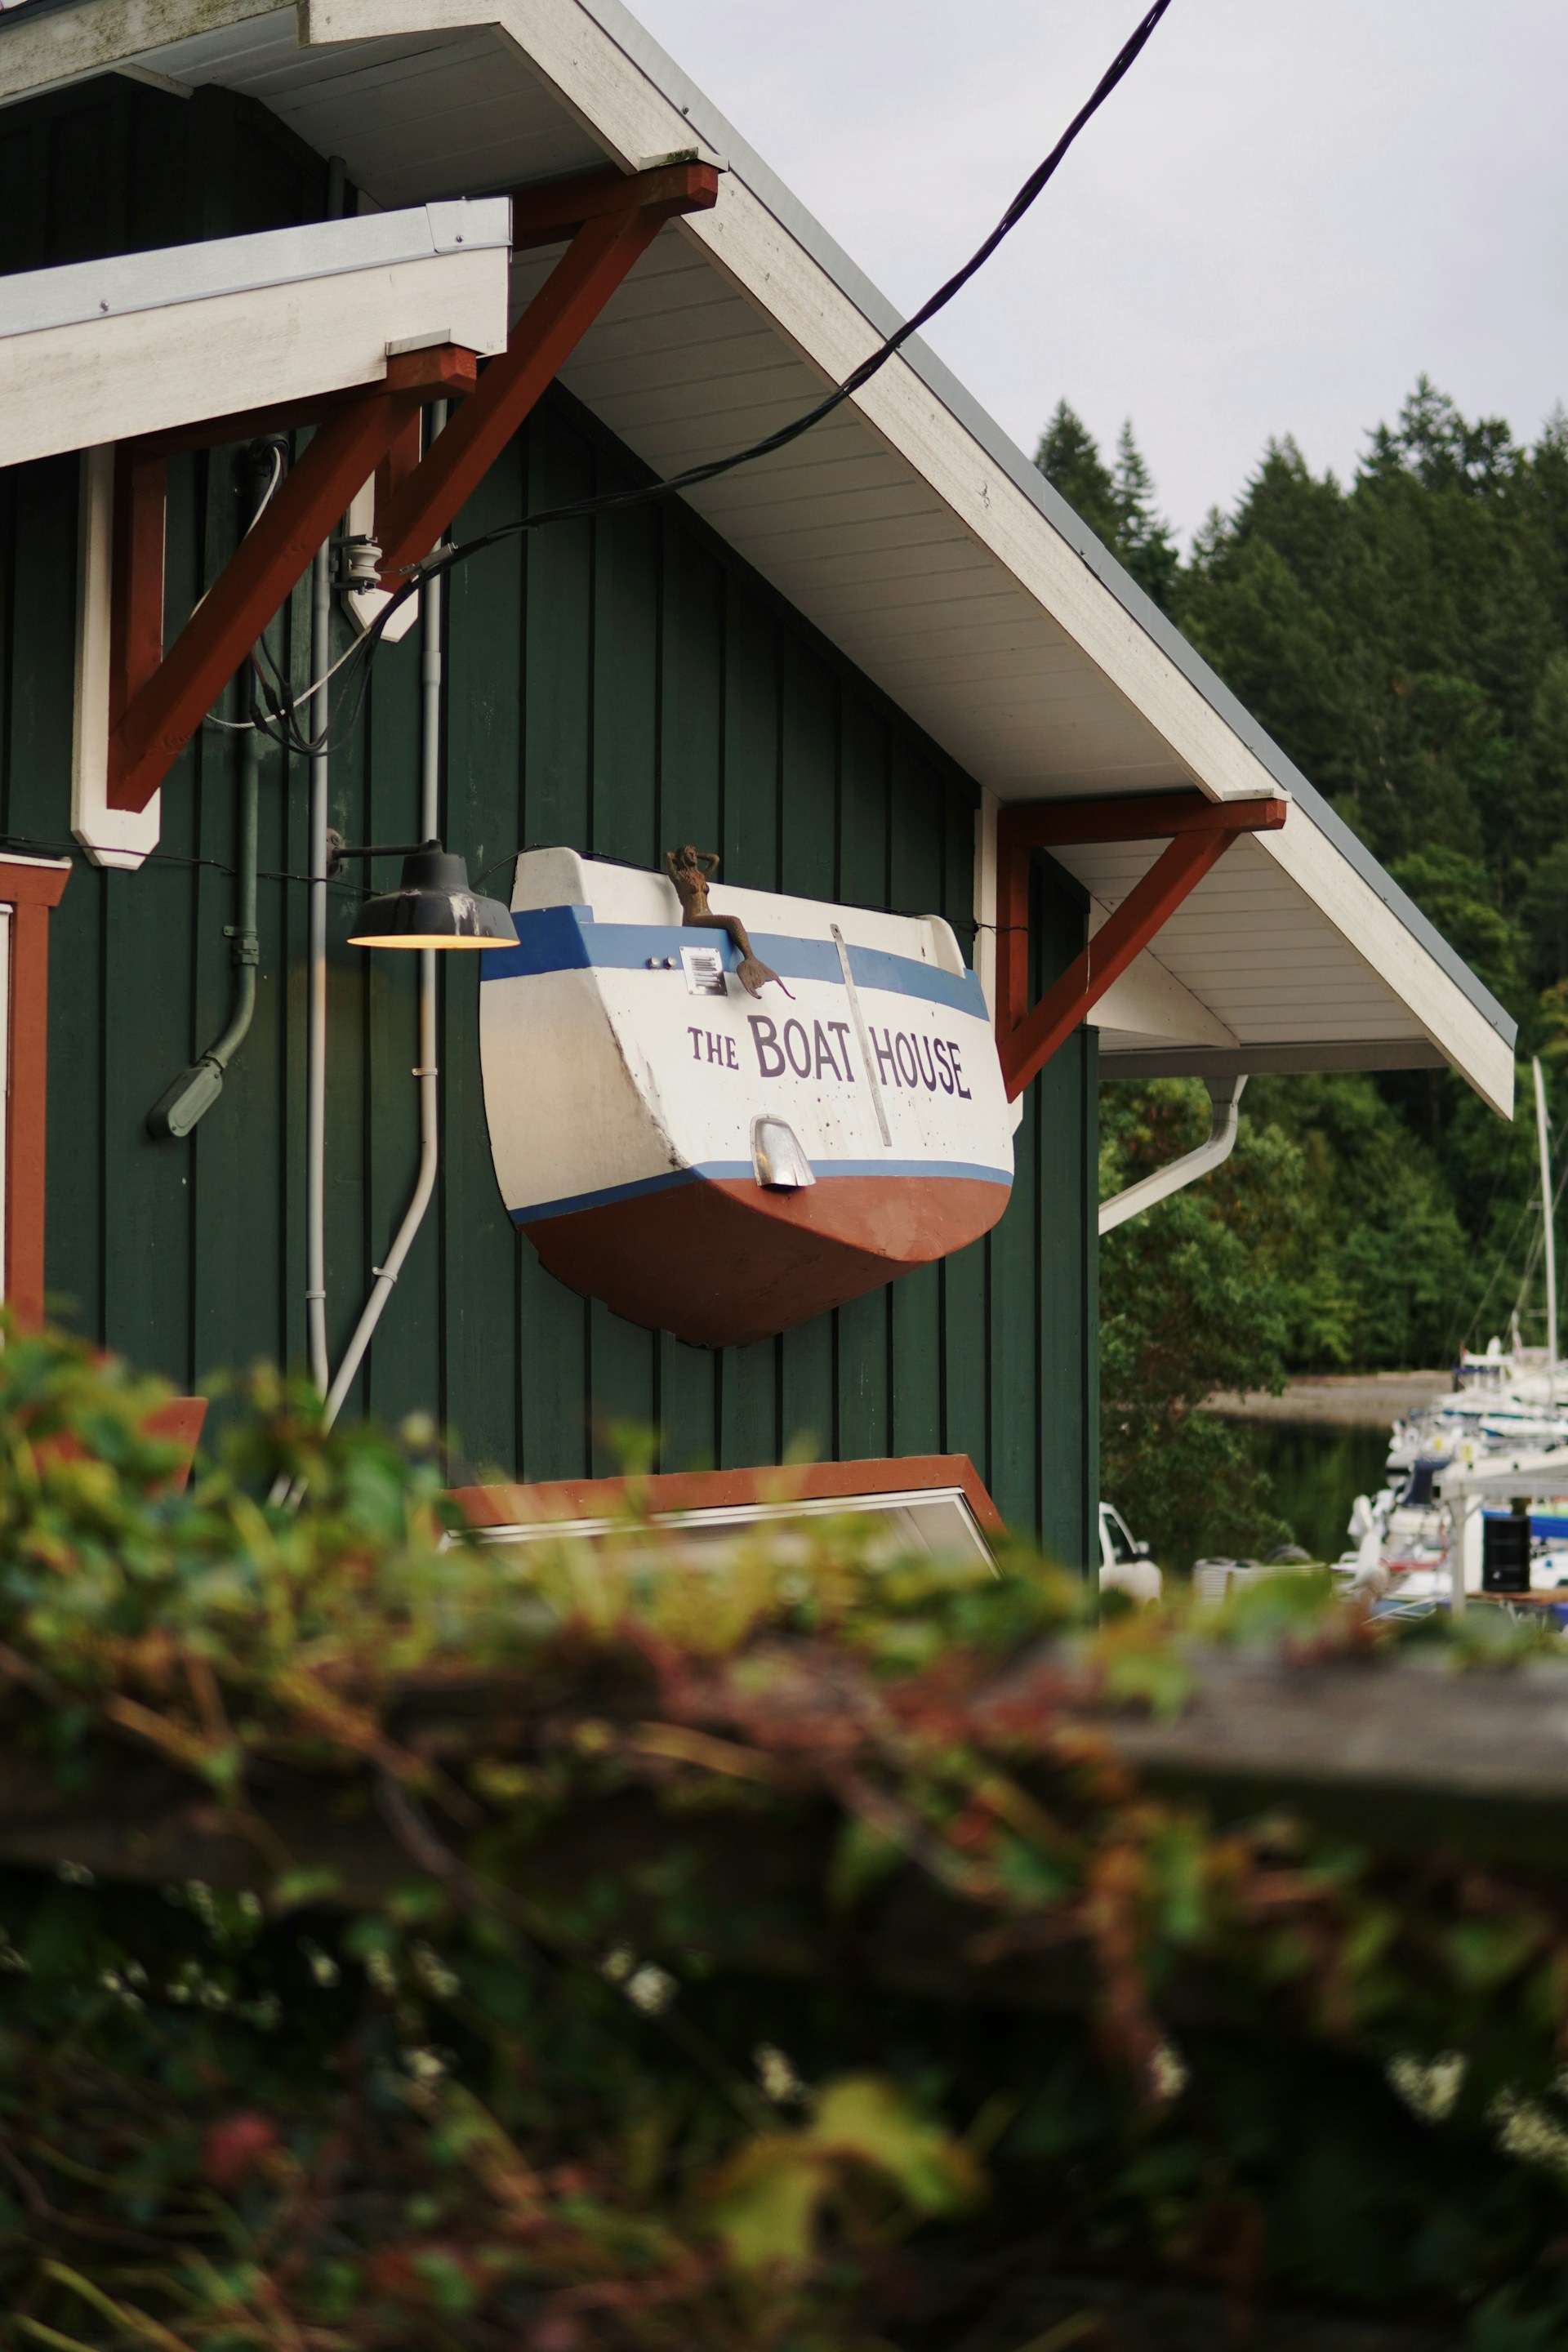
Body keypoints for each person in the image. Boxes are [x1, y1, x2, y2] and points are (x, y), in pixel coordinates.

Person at [664, 844, 785, 998]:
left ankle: (751, 962)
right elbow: (667, 856)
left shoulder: (701, 876)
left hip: (707, 916)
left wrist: (695, 854)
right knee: (733, 921)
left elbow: (715, 859)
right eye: (690, 854)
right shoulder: (679, 878)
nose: (694, 856)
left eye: (695, 853)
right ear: (682, 857)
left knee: (731, 928)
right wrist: (678, 856)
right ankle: (750, 958)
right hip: (693, 918)